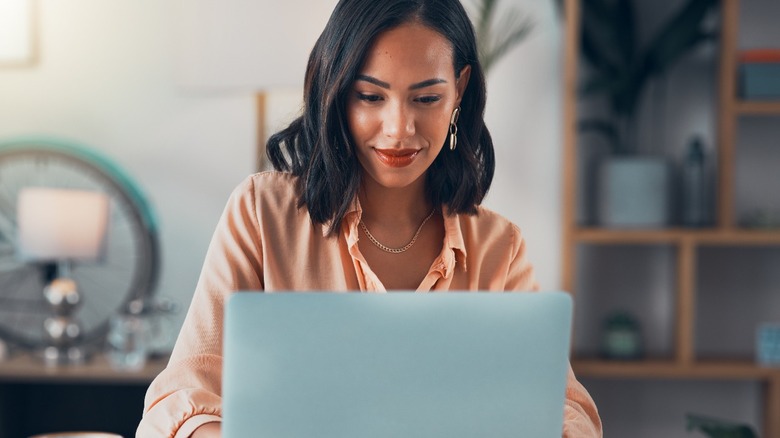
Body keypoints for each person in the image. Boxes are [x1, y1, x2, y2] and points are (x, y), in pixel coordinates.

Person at [138, 0, 602, 436]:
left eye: (426, 99)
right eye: (370, 96)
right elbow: (181, 394)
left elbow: (565, 406)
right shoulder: (261, 213)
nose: (399, 129)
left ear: (459, 90)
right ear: (336, 92)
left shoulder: (498, 246)